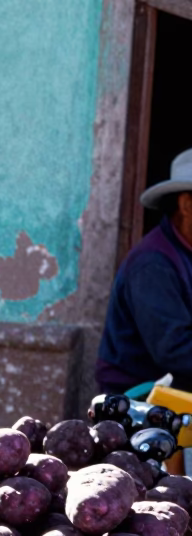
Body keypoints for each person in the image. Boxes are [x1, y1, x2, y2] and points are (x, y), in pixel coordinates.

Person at [98, 148, 192, 393]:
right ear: (186, 205)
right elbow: (174, 349)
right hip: (138, 401)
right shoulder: (152, 265)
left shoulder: (184, 252)